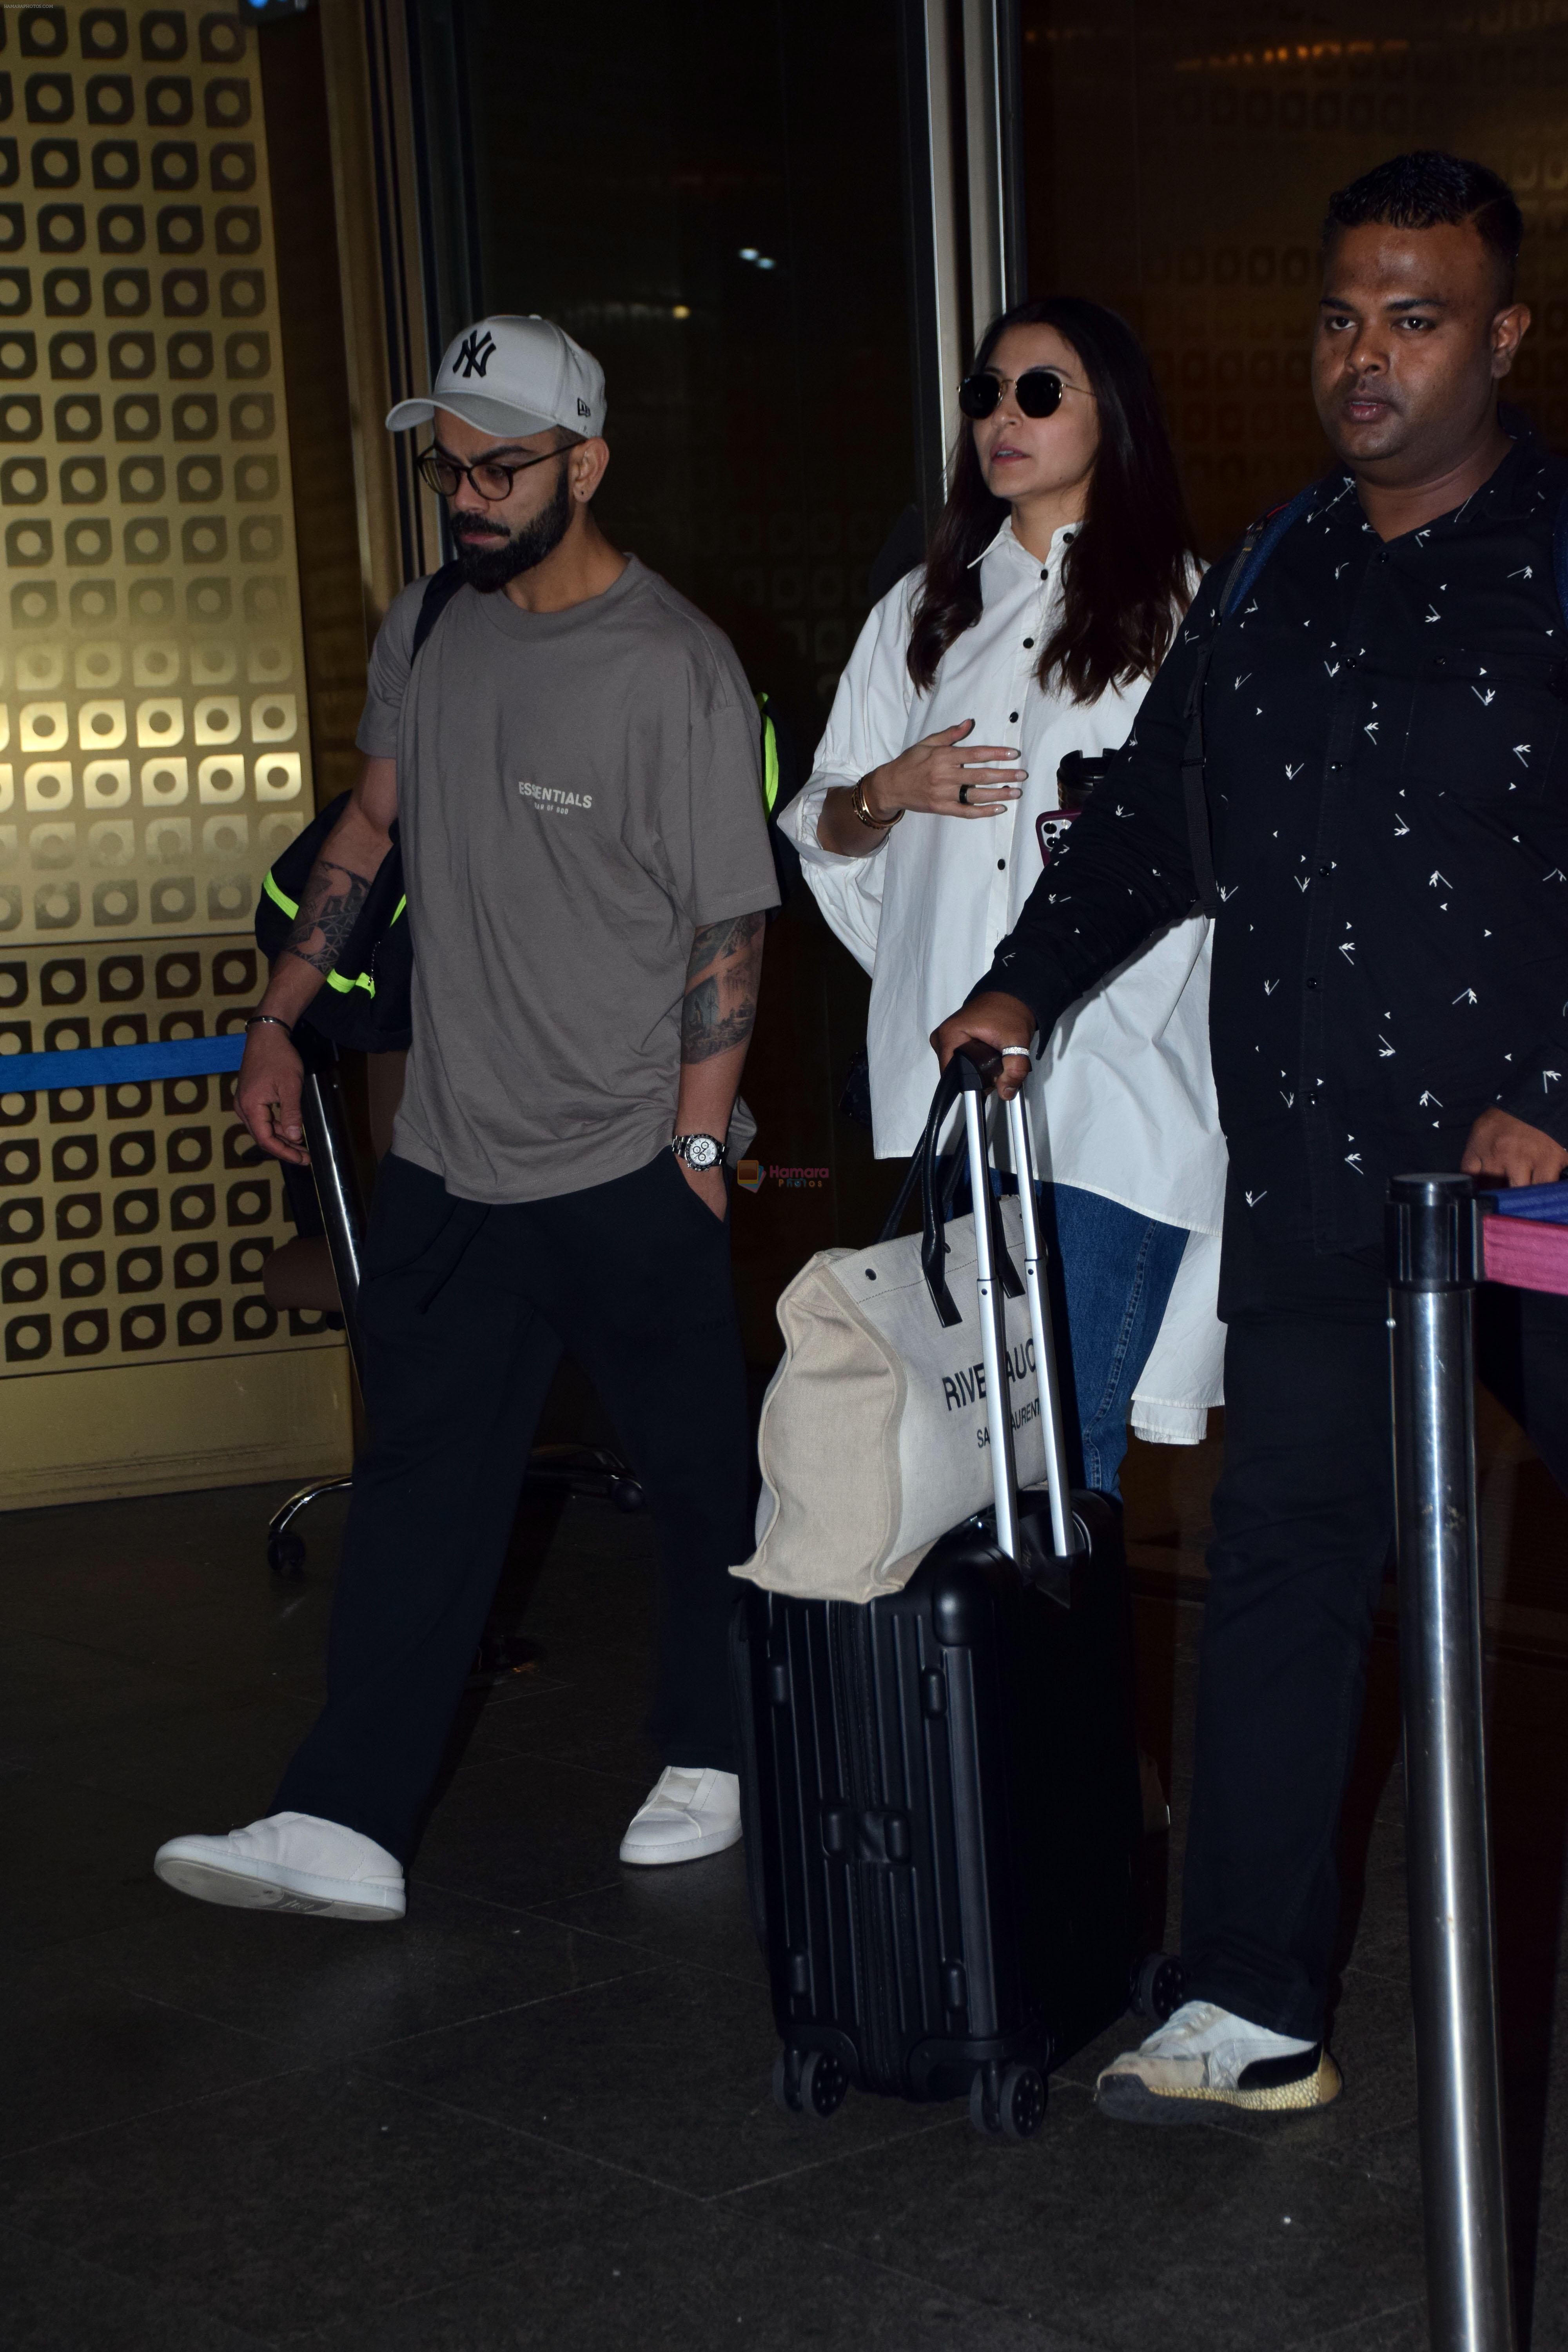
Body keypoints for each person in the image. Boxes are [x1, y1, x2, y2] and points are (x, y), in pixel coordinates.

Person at [935, 152, 1568, 2120]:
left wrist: (1551, 1086)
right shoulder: (1283, 565)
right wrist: (1025, 982)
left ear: (1502, 335)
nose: (1363, 354)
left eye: (1415, 315)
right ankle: (1248, 2000)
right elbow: (1147, 813)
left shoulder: (1563, 558)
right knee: (1291, 1559)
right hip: (1318, 1173)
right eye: (1339, 315)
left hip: (1535, 1182)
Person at [154, 314, 779, 1919]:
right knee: (427, 1490)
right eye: (453, 468)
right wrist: (284, 1015)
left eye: (503, 466)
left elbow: (728, 926)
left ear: (587, 462)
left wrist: (699, 1150)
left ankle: (716, 1748)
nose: (472, 497)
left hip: (630, 1154)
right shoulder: (429, 625)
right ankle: (345, 1822)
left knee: (704, 1479)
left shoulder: (674, 667)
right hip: (454, 1152)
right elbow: (372, 824)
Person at [779, 296, 1226, 1495]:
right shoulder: (926, 612)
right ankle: (1012, 1685)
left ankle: (1055, 1679)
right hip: (962, 1092)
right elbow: (818, 825)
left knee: (1061, 1456)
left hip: (1117, 1089)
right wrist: (884, 791)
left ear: (1112, 414)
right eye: (986, 394)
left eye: (1039, 392)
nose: (1001, 419)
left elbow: (1212, 851)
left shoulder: (1188, 610)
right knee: (972, 1458)